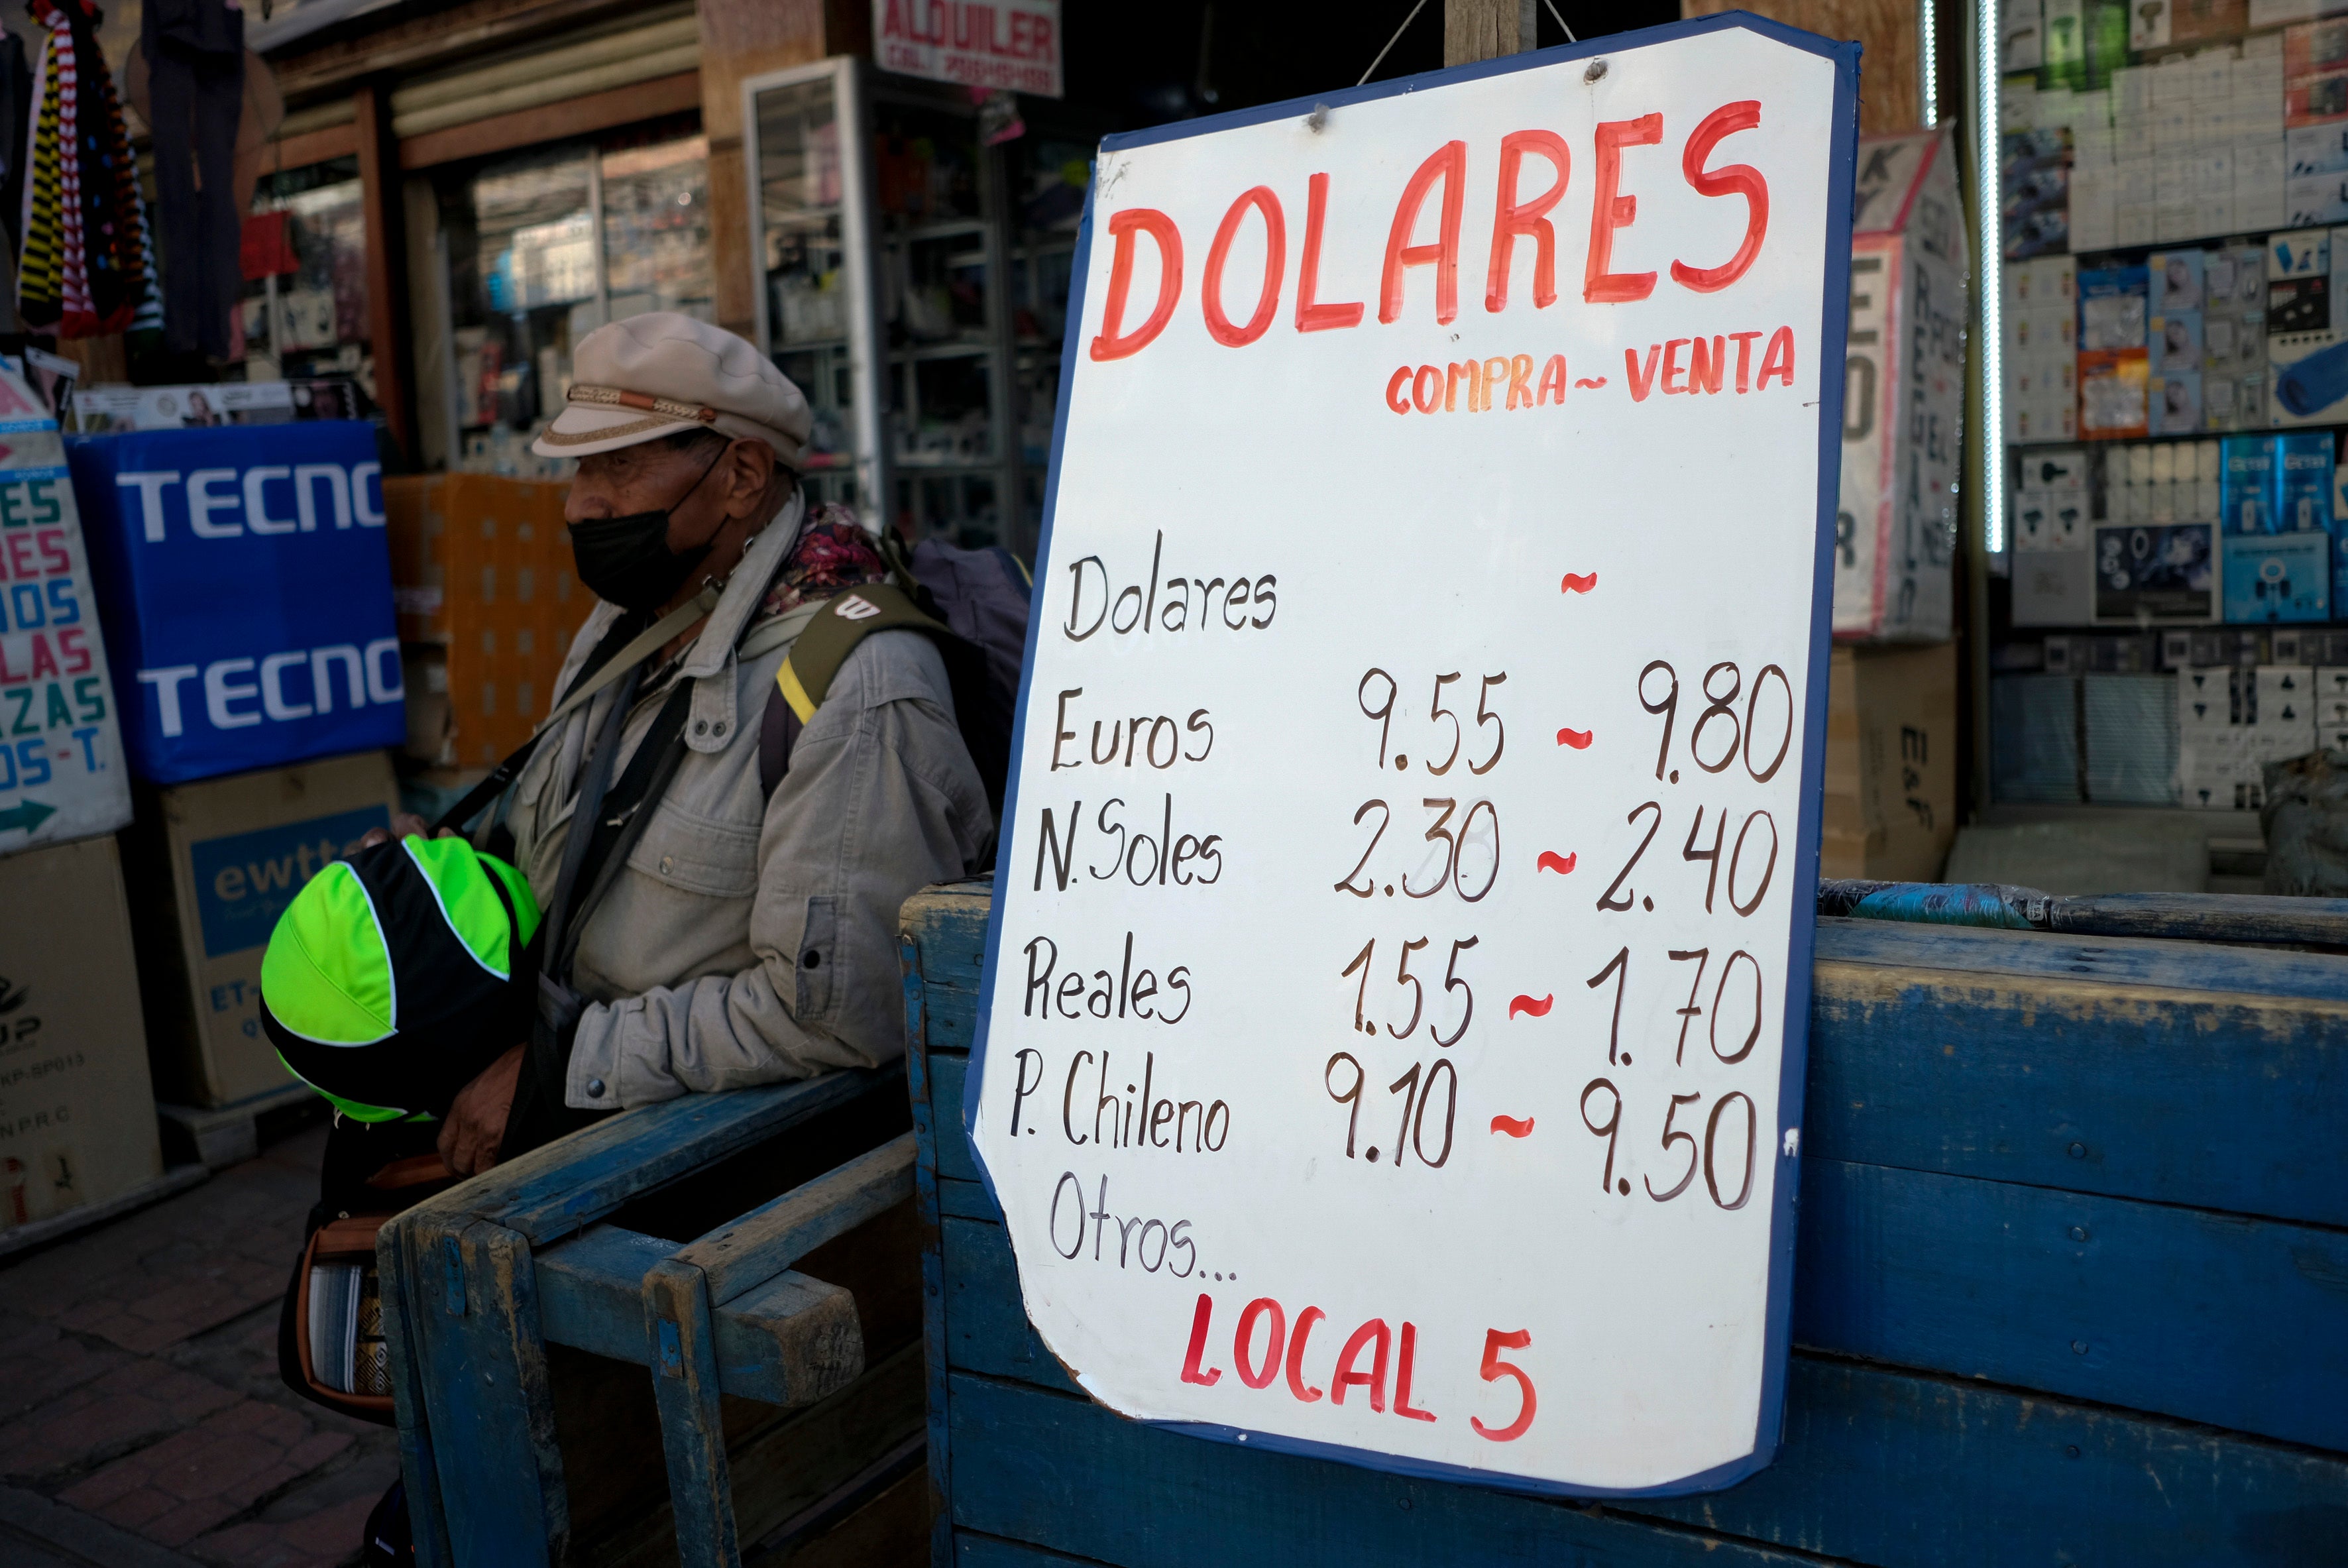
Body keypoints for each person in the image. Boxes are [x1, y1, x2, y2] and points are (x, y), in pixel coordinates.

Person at [357, 312, 993, 1174]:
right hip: (589, 1104)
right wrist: (440, 888)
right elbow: (570, 852)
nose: (582, 502)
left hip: (705, 1171)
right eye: (582, 465)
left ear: (741, 473)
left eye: (619, 465)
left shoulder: (861, 685)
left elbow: (836, 1013)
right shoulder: (632, 620)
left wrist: (567, 1066)